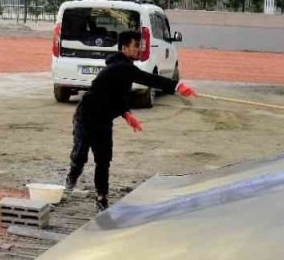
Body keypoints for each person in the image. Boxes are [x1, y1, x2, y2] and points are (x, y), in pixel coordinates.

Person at [65, 30, 196, 211]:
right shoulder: (121, 67)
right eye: (136, 46)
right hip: (87, 115)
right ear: (125, 48)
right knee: (80, 155)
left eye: (140, 46)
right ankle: (70, 182)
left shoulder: (123, 67)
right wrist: (177, 85)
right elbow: (147, 78)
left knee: (103, 160)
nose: (139, 49)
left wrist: (127, 114)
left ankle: (101, 197)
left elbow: (116, 95)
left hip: (103, 118)